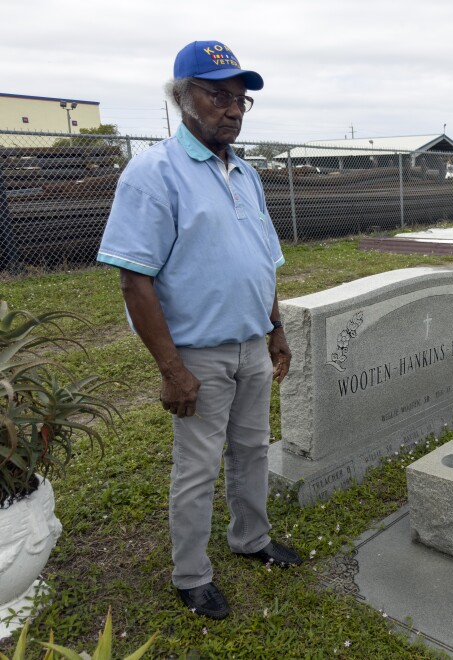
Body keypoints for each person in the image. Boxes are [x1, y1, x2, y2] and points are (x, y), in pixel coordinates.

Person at [97, 40, 300, 620]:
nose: (233, 109)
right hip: (199, 356)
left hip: (251, 345)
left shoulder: (246, 174)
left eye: (240, 99)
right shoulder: (153, 174)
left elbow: (264, 262)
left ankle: (252, 539)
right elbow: (135, 281)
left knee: (252, 451)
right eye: (219, 95)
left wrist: (276, 328)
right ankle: (191, 575)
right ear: (183, 98)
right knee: (197, 467)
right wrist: (172, 370)